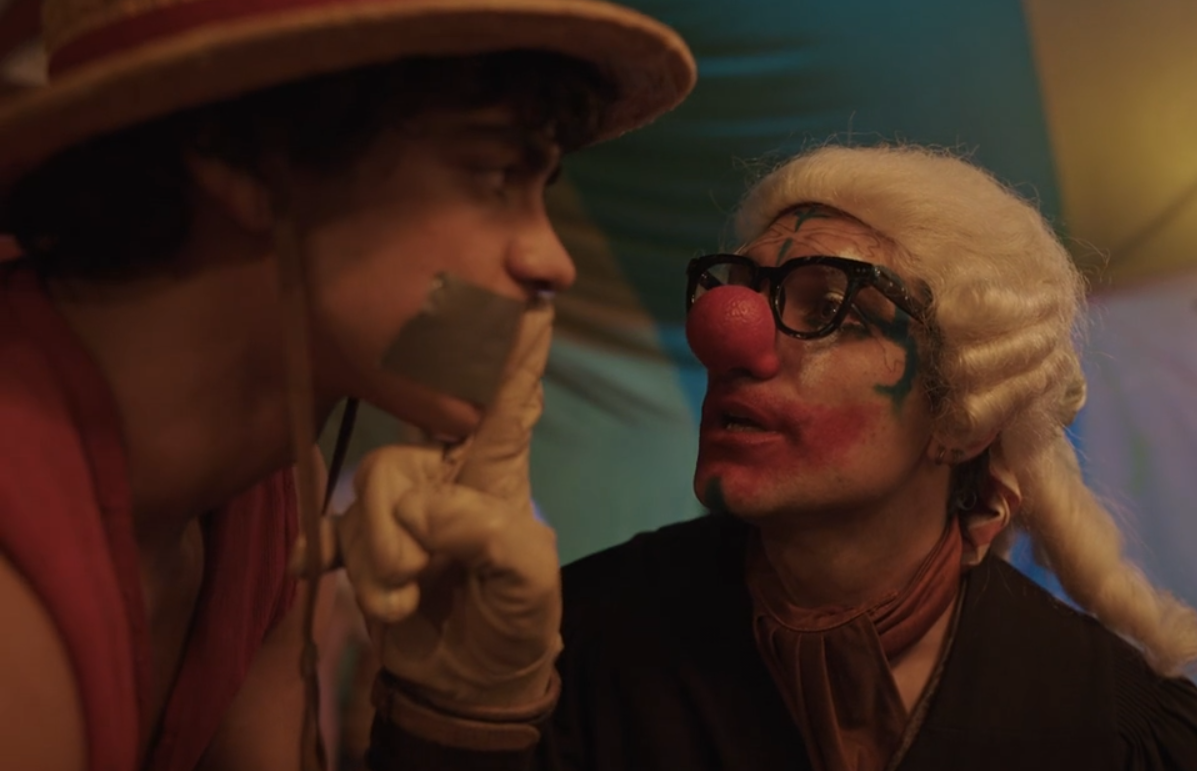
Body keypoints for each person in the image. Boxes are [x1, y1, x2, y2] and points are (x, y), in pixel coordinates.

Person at [334, 143, 1197, 770]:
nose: (734, 340)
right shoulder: (578, 648)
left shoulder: (1113, 730)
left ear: (961, 420)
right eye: (741, 288)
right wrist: (461, 727)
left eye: (829, 306)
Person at [0, 0, 695, 767]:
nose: (551, 261)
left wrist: (462, 712)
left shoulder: (268, 492)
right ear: (244, 155)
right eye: (495, 172)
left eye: (543, 187)